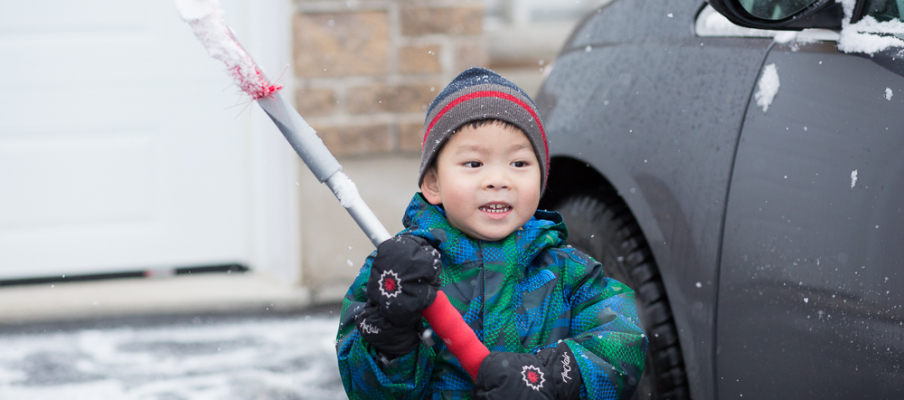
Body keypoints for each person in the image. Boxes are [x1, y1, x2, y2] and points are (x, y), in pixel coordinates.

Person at [336, 67, 646, 400]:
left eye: (519, 164)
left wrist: (546, 377)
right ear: (433, 183)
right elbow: (366, 388)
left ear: (541, 183)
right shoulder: (401, 275)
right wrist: (391, 333)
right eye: (474, 164)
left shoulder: (570, 273)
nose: (498, 180)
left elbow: (622, 345)